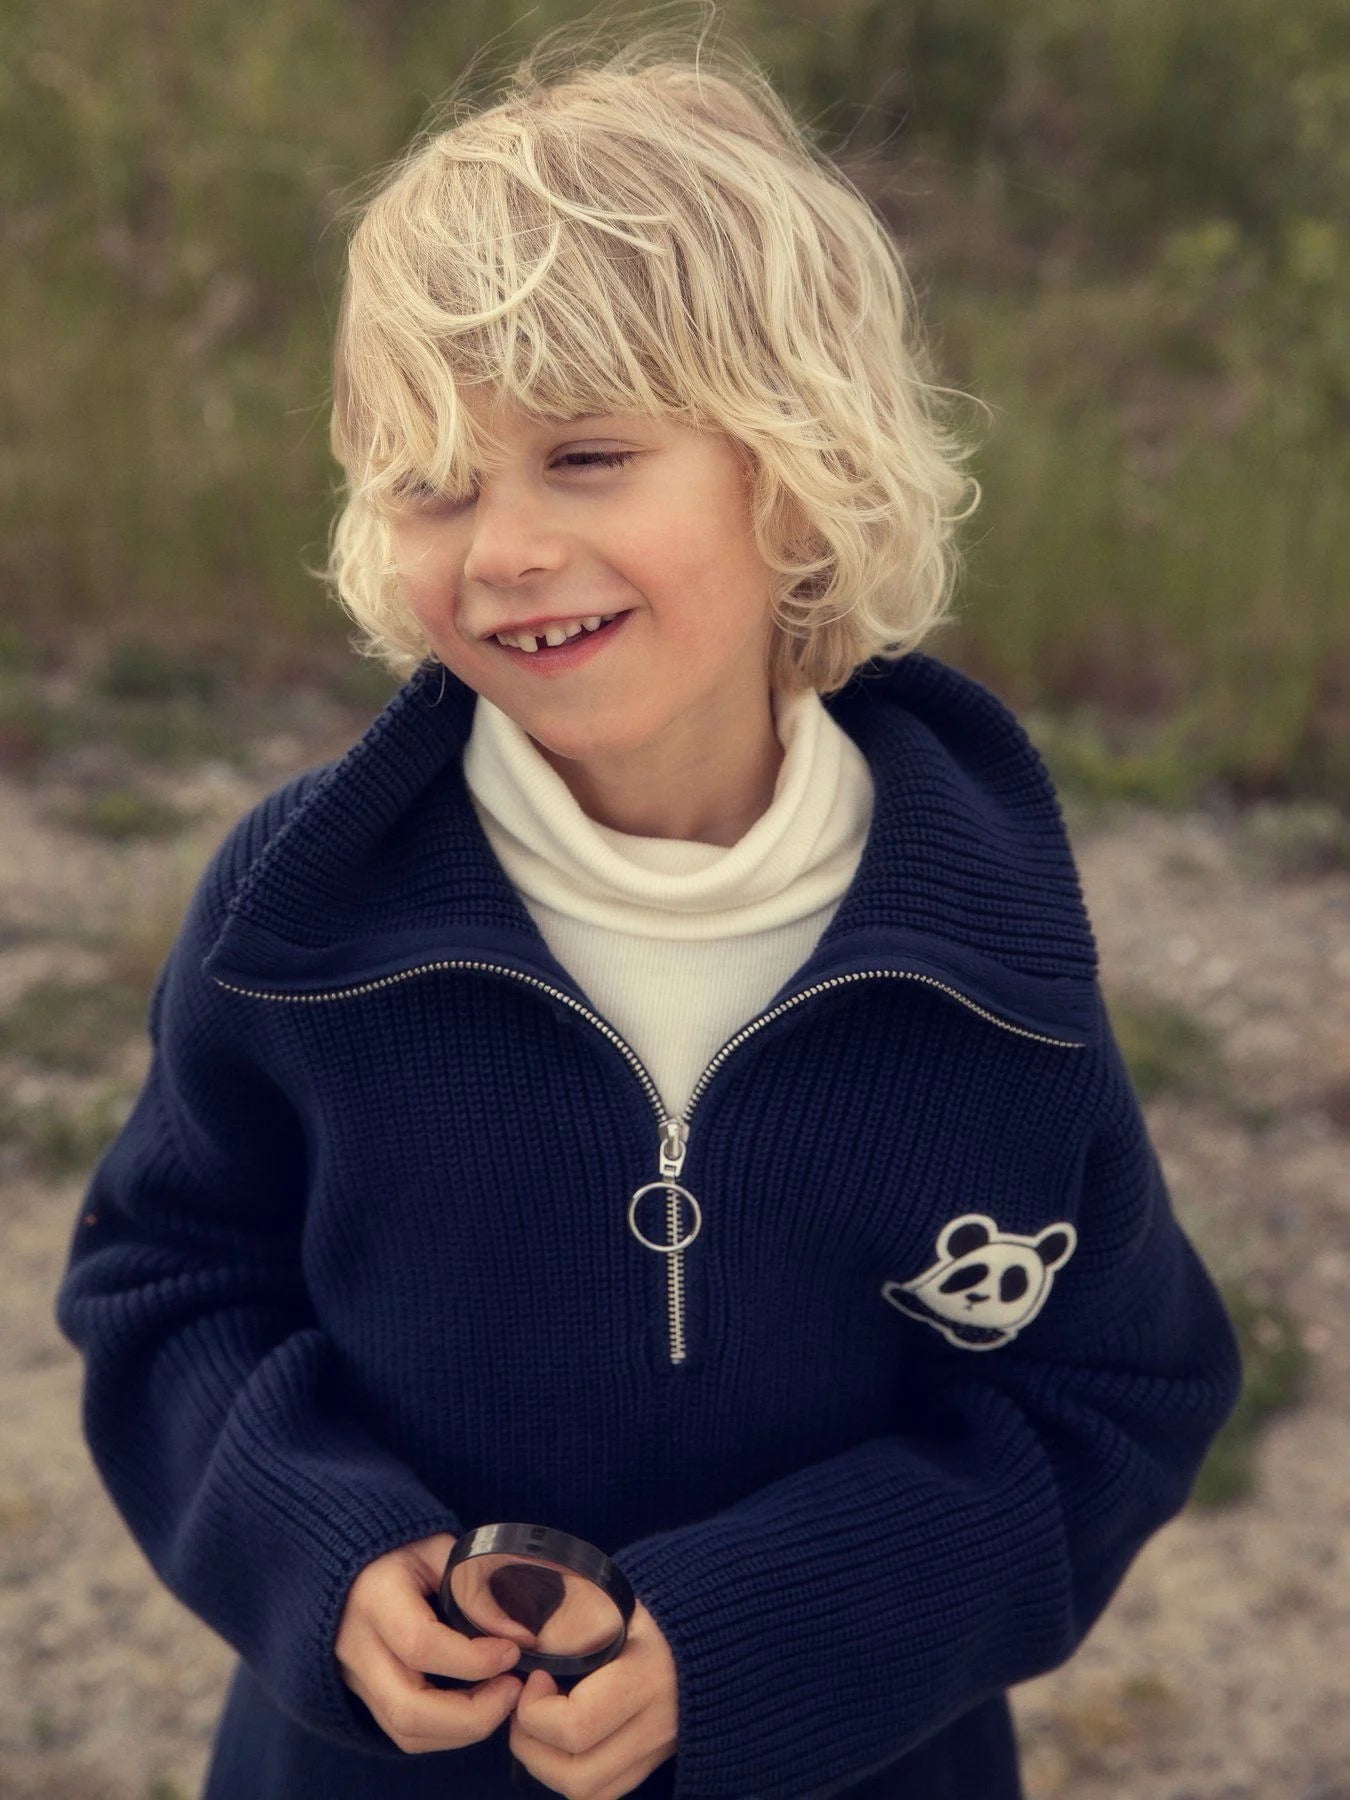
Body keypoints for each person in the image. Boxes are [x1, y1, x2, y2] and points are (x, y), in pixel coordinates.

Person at [55, 13, 1243, 1800]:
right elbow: (169, 1283)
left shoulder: (986, 954)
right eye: (432, 485)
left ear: (796, 467)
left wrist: (762, 1635)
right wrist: (323, 1551)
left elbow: (1106, 1401)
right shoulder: (299, 920)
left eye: (586, 456)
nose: (502, 548)